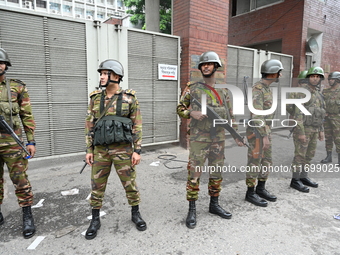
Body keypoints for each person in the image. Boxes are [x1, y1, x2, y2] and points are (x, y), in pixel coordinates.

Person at [177, 51, 243, 229]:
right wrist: (191, 113)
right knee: (194, 174)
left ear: (215, 67)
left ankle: (214, 204)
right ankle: (192, 209)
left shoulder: (224, 90)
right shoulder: (192, 88)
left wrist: (236, 136)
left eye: (209, 64)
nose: (205, 66)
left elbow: (231, 116)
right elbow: (179, 107)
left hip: (218, 139)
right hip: (199, 139)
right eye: (203, 64)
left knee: (216, 173)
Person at [84, 59, 146, 240]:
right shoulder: (95, 98)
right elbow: (89, 125)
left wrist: (137, 150)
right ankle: (95, 219)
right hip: (101, 150)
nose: (102, 77)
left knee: (130, 183)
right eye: (101, 74)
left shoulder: (129, 98)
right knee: (97, 186)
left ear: (116, 76)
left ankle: (135, 213)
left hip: (123, 150)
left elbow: (137, 125)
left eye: (105, 73)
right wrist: (89, 149)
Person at [0, 48, 36, 238]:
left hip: (12, 143)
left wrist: (31, 141)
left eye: (1, 62)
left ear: (6, 65)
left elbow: (27, 116)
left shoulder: (17, 87)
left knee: (20, 180)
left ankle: (27, 214)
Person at [245, 59, 283, 207]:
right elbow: (257, 115)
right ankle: (250, 192)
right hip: (257, 132)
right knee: (255, 162)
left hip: (265, 130)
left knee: (266, 161)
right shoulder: (258, 89)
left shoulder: (267, 89)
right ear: (273, 73)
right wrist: (264, 136)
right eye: (279, 72)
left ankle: (260, 188)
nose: (281, 75)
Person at [288, 66, 326, 192]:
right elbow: (298, 114)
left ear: (320, 79)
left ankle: (303, 177)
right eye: (312, 76)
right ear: (308, 77)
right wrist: (300, 132)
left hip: (314, 130)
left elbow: (320, 114)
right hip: (303, 129)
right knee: (300, 156)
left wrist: (321, 130)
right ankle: (295, 180)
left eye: (317, 77)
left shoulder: (317, 94)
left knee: (309, 155)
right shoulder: (302, 92)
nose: (315, 79)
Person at [320, 71, 340, 164]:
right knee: (328, 137)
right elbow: (321, 104)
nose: (330, 81)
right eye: (329, 79)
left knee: (338, 138)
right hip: (327, 118)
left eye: (332, 79)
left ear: (337, 80)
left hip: (337, 118)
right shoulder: (325, 91)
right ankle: (329, 156)